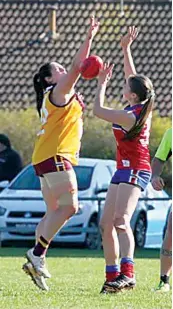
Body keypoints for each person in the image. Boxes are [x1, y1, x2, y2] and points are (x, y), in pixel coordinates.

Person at [22, 16, 99, 291]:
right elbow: (78, 69)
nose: (64, 70)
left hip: (43, 157)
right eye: (59, 69)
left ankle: (37, 261)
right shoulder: (57, 91)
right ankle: (38, 254)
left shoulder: (56, 94)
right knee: (70, 207)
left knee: (53, 211)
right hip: (55, 156)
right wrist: (88, 38)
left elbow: (76, 73)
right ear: (48, 79)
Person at [93, 26, 155, 293]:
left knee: (121, 221)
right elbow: (133, 76)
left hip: (137, 169)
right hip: (122, 170)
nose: (124, 84)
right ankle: (112, 275)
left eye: (125, 86)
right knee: (106, 223)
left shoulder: (130, 116)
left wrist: (101, 85)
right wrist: (125, 48)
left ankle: (128, 274)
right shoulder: (137, 106)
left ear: (132, 95)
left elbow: (97, 110)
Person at [151, 128, 172, 292]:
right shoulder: (171, 133)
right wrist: (155, 176)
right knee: (171, 234)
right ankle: (164, 281)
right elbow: (158, 159)